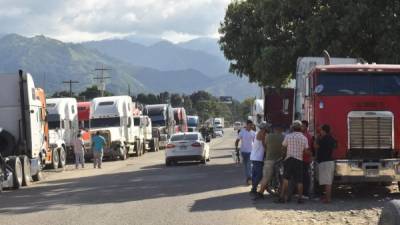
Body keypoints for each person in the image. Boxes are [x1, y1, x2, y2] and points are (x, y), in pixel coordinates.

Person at [276, 120, 310, 204]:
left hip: (289, 159)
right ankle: (300, 198)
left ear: (292, 128)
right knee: (299, 180)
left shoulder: (288, 136)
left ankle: (282, 197)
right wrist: (310, 153)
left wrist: (283, 155)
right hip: (299, 160)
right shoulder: (304, 138)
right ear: (300, 128)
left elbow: (283, 147)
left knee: (286, 179)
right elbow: (306, 151)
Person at [254, 124, 285, 200]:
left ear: (274, 130)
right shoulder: (284, 137)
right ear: (281, 130)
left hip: (269, 159)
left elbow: (265, 145)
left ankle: (260, 193)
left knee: (266, 177)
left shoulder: (268, 136)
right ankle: (282, 193)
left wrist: (268, 150)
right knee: (282, 177)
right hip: (280, 160)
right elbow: (285, 148)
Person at [315, 124, 336, 203]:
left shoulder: (323, 139)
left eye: (321, 130)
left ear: (323, 131)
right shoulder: (332, 138)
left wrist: (316, 138)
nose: (320, 132)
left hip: (325, 162)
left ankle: (328, 199)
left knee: (327, 182)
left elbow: (316, 146)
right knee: (328, 181)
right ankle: (326, 197)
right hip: (330, 161)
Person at [235, 120, 256, 185]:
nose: (250, 126)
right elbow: (237, 140)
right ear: (246, 125)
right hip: (243, 151)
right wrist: (236, 148)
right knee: (246, 166)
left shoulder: (253, 133)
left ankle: (249, 178)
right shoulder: (242, 132)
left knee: (249, 165)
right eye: (249, 125)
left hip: (251, 151)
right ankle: (248, 178)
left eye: (251, 125)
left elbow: (255, 142)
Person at [249, 122, 268, 195]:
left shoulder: (258, 133)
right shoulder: (261, 134)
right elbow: (264, 145)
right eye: (266, 128)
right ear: (263, 128)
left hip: (254, 156)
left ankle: (253, 188)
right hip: (258, 157)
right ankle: (254, 188)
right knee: (259, 174)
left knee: (255, 173)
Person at [301, 120, 313, 198]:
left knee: (304, 177)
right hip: (303, 158)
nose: (301, 127)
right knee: (303, 176)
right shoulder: (306, 135)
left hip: (304, 159)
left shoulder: (307, 136)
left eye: (303, 126)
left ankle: (305, 193)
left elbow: (308, 148)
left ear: (306, 126)